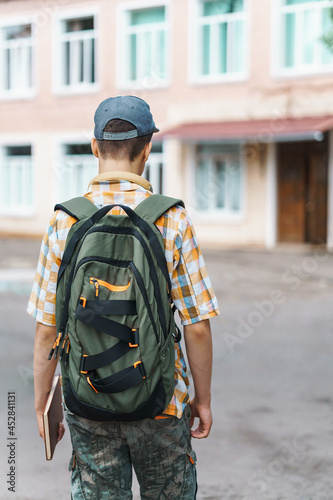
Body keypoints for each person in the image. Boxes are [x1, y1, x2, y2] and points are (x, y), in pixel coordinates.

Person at [28, 95, 220, 499]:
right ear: (148, 148)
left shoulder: (64, 220)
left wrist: (44, 403)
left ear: (95, 146)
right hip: (162, 401)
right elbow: (197, 327)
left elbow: (48, 328)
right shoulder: (172, 218)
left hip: (86, 401)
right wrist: (202, 401)